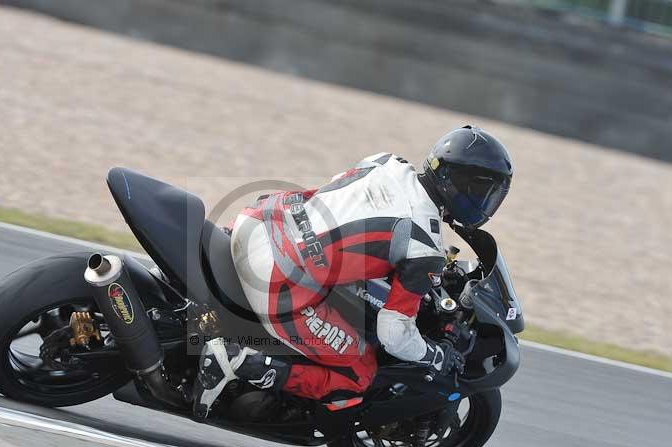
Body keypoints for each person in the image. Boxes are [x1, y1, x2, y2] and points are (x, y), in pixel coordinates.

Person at [193, 125, 514, 418]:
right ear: (461, 184)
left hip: (260, 222)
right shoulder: (424, 249)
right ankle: (237, 360)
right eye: (485, 193)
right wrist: (434, 356)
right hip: (279, 279)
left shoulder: (387, 162)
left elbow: (350, 205)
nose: (487, 203)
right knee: (358, 373)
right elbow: (394, 335)